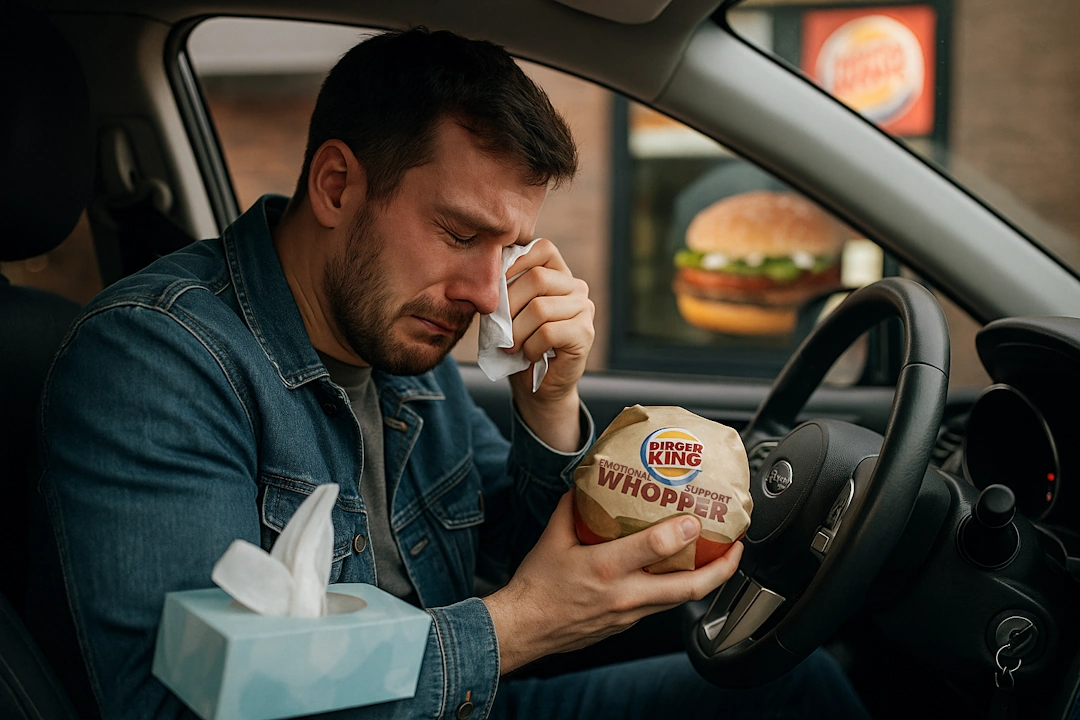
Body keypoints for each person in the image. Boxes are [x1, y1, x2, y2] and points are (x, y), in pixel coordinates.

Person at [33, 28, 869, 720]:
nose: (485, 292)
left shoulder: (402, 351)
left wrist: (549, 410)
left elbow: (509, 553)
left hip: (462, 699)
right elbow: (171, 707)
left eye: (510, 249)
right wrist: (519, 627)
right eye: (461, 234)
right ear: (336, 185)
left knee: (798, 687)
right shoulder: (157, 363)